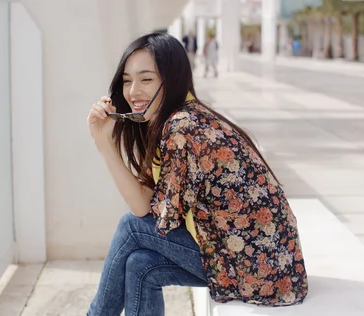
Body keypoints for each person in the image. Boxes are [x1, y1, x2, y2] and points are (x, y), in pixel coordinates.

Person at [86, 32, 308, 316]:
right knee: (141, 265)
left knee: (131, 226)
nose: (133, 92)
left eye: (146, 79)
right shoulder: (185, 115)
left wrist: (105, 145)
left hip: (257, 267)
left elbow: (142, 210)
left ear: (172, 78)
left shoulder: (183, 127)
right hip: (274, 267)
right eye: (127, 81)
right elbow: (155, 201)